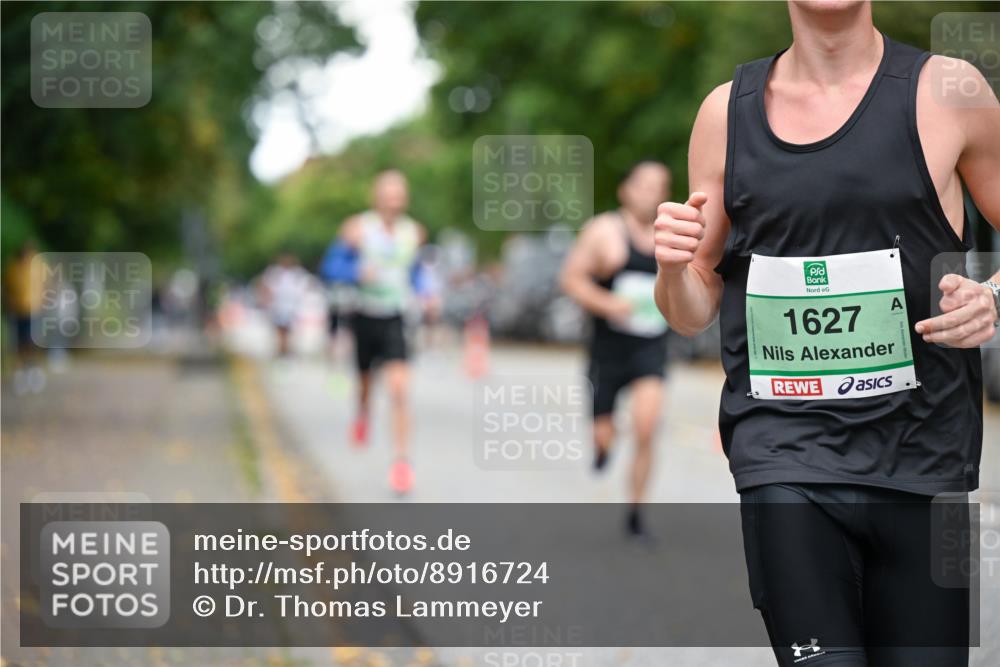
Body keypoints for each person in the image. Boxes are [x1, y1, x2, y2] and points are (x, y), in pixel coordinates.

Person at [653, 1, 998, 665]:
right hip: (785, 452)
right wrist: (673, 265)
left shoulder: (949, 92)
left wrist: (992, 298)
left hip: (925, 458)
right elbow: (691, 308)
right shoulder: (726, 114)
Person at [561, 161, 672, 539]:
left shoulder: (669, 235)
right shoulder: (603, 231)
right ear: (625, 190)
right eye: (643, 185)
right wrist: (608, 304)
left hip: (650, 347)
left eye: (659, 187)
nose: (651, 193)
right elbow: (571, 279)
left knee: (646, 426)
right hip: (607, 349)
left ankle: (637, 514)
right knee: (605, 435)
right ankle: (602, 447)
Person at [339, 170, 426, 495]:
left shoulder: (414, 233)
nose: (394, 200)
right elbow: (332, 266)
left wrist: (426, 293)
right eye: (388, 193)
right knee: (365, 384)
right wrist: (355, 272)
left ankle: (401, 463)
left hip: (396, 317)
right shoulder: (357, 229)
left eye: (399, 194)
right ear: (376, 197)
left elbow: (415, 272)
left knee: (400, 389)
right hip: (364, 315)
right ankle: (362, 413)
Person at [4, 241, 46, 394]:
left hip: (34, 310)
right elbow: (7, 288)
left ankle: (34, 373)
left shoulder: (39, 266)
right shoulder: (13, 268)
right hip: (17, 311)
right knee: (18, 344)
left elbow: (46, 284)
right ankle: (21, 375)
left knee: (32, 343)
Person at [258, 253, 311, 357]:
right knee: (280, 329)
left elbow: (305, 286)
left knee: (288, 330)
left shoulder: (297, 274)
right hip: (278, 306)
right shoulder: (274, 273)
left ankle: (286, 350)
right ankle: (281, 350)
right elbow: (265, 287)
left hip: (291, 307)